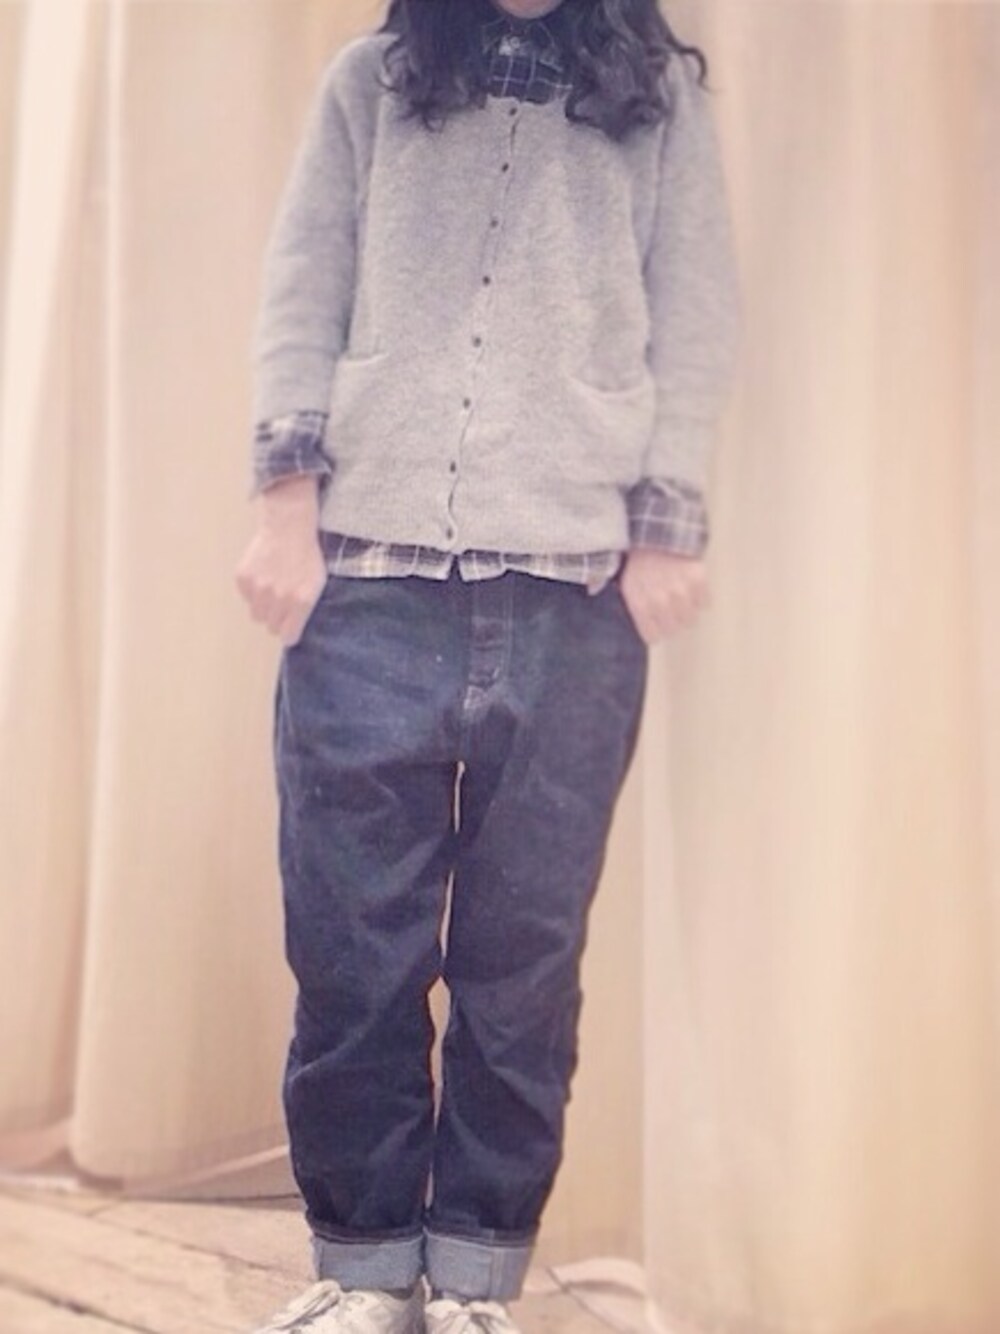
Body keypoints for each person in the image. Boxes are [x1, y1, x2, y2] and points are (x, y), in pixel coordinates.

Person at [234, 0, 741, 1329]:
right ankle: (363, 1274)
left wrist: (665, 520)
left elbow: (695, 312)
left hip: (575, 604)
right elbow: (302, 287)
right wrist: (284, 504)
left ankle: (471, 1279)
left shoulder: (658, 105)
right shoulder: (373, 85)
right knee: (354, 960)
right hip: (368, 594)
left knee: (522, 973)